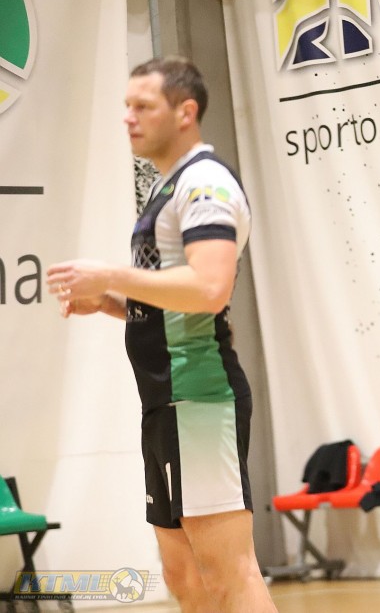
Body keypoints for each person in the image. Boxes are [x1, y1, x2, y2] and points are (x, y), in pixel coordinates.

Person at [46, 57, 276, 613]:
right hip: (163, 402)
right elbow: (175, 301)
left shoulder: (204, 182)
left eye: (143, 106)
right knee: (184, 575)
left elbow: (210, 288)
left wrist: (110, 275)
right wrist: (111, 303)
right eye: (126, 106)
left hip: (198, 398)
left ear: (185, 112)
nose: (128, 117)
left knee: (229, 574)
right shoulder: (168, 186)